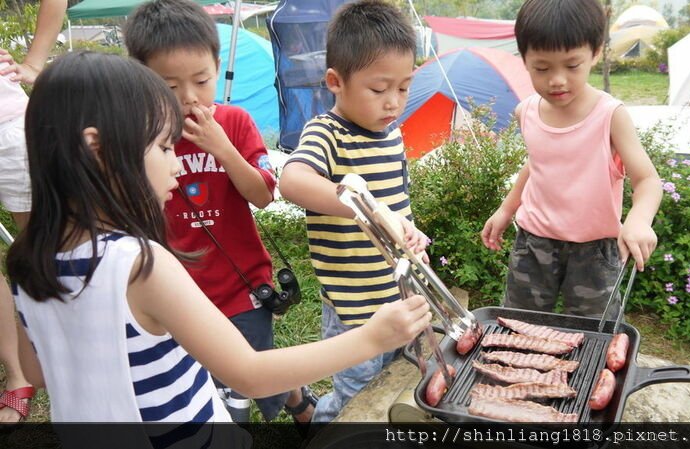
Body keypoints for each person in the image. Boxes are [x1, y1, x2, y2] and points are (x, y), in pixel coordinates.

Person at [6, 52, 430, 441]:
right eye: (163, 146)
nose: (176, 163)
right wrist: (373, 337)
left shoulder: (26, 262)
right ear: (96, 150)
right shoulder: (141, 265)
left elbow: (39, 372)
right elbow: (250, 373)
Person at [122, 0, 313, 427]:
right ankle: (294, 394)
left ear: (217, 66)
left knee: (250, 375)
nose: (189, 98)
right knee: (206, 391)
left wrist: (222, 147)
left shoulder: (236, 121)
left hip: (241, 286)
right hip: (176, 295)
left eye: (201, 80)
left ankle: (294, 396)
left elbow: (263, 195)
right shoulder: (137, 138)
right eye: (169, 87)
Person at [279, 0, 429, 423]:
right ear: (336, 81)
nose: (394, 102)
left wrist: (412, 237)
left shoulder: (392, 137)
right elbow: (293, 181)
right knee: (356, 402)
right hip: (352, 309)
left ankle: (312, 408)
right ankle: (318, 420)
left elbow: (399, 206)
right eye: (379, 89)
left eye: (404, 87)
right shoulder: (326, 132)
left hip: (398, 295)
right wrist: (365, 205)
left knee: (399, 384)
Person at [480, 0, 662, 317]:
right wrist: (506, 209)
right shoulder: (527, 111)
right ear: (524, 60)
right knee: (521, 324)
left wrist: (639, 220)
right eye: (542, 68)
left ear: (595, 53)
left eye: (572, 65)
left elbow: (647, 180)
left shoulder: (610, 116)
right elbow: (537, 165)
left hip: (596, 249)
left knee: (594, 332)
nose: (557, 80)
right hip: (533, 243)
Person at [0, 0, 67, 423]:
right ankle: (17, 372)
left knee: (38, 251)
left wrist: (34, 62)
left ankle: (53, 367)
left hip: (5, 128)